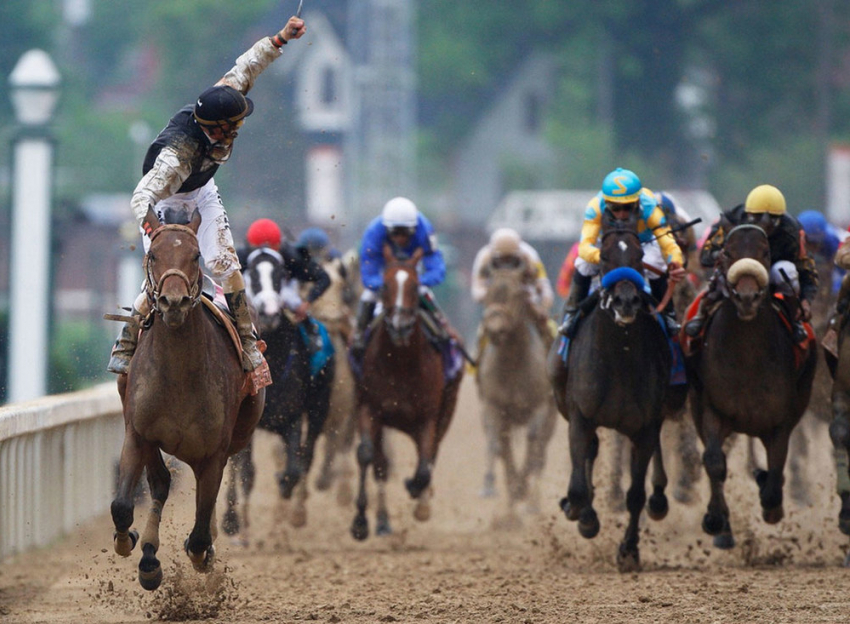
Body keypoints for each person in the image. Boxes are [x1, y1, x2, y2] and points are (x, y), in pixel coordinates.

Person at [107, 16, 307, 375]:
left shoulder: (219, 101)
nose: (240, 129)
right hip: (161, 203)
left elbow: (246, 66)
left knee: (226, 268)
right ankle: (127, 338)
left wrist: (280, 39)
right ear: (217, 128)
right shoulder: (177, 155)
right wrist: (160, 235)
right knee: (166, 274)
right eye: (236, 126)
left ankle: (246, 341)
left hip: (201, 192)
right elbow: (140, 199)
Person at [558, 167, 686, 338]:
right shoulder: (595, 207)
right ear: (606, 202)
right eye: (615, 208)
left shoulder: (650, 207)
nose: (622, 214)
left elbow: (668, 244)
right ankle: (572, 313)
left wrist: (675, 262)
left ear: (637, 202)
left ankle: (668, 315)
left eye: (627, 207)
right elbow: (584, 247)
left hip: (642, 242)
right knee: (583, 263)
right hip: (609, 245)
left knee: (657, 262)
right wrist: (604, 257)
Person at [684, 184, 818, 343]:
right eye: (757, 217)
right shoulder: (731, 220)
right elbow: (705, 255)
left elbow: (806, 268)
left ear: (780, 219)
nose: (764, 223)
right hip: (734, 272)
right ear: (747, 215)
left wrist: (805, 300)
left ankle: (794, 321)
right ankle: (702, 315)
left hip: (772, 273)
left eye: (772, 220)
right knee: (721, 275)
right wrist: (718, 254)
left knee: (787, 271)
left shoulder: (792, 231)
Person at [351, 196, 447, 356]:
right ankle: (359, 334)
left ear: (414, 228)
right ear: (386, 229)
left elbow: (436, 266)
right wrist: (386, 285)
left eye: (406, 232)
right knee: (368, 296)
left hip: (412, 272)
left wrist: (418, 282)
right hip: (386, 271)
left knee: (424, 293)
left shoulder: (425, 229)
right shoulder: (373, 233)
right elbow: (368, 273)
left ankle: (441, 328)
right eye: (395, 233)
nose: (400, 238)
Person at [239, 218, 331, 331]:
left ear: (278, 246)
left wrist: (306, 303)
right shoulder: (240, 258)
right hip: (251, 303)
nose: (264, 254)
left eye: (270, 250)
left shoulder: (293, 258)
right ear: (250, 247)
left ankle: (311, 338)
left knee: (295, 304)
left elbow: (324, 278)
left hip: (286, 300)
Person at [471, 227, 555, 342]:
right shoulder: (484, 257)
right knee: (481, 334)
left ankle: (555, 354)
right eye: (501, 260)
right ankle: (477, 357)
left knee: (549, 329)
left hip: (525, 303)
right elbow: (477, 287)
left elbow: (543, 283)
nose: (506, 265)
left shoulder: (530, 255)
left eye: (510, 260)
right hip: (496, 304)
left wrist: (543, 304)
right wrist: (488, 295)